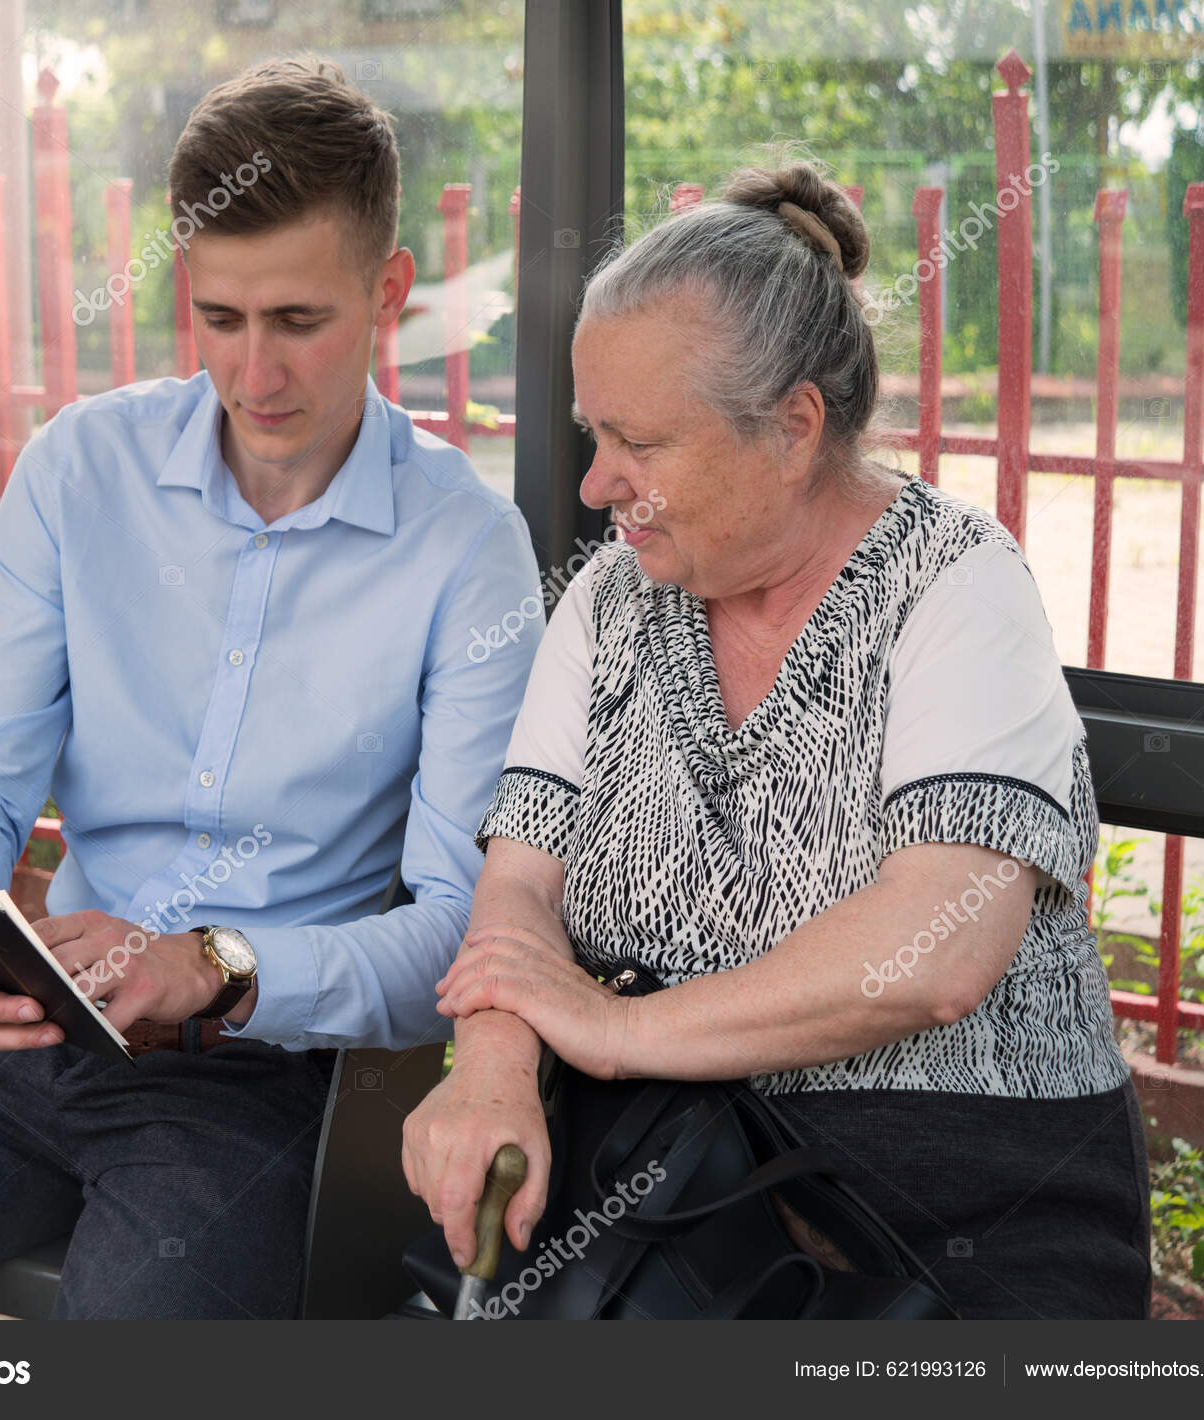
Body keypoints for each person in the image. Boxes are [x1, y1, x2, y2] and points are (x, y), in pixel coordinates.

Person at [0, 56, 540, 1322]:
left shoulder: (468, 550)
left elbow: (458, 943)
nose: (255, 378)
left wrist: (219, 963)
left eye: (298, 321)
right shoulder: (81, 470)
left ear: (389, 292)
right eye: (220, 319)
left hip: (255, 1082)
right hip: (26, 1045)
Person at [401, 160, 1152, 1321]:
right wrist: (494, 1075)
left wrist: (614, 1028)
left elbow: (938, 950)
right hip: (664, 1192)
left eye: (638, 443)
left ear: (795, 428)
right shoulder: (606, 601)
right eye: (593, 433)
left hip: (954, 1208)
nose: (599, 481)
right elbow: (518, 893)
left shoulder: (955, 583)